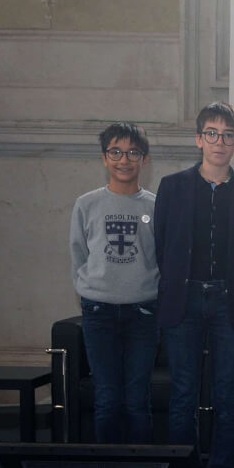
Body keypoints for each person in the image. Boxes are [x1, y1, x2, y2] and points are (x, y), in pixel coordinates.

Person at [153, 104, 234, 468]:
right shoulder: (173, 186)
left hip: (229, 301)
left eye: (228, 135)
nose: (219, 142)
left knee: (227, 395)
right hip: (184, 299)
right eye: (211, 133)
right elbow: (162, 244)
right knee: (183, 394)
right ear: (198, 139)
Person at [71, 122, 160, 445]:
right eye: (116, 152)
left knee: (137, 400)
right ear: (104, 157)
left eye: (133, 153)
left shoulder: (154, 206)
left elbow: (162, 256)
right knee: (107, 398)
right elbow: (79, 254)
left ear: (144, 159)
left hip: (143, 312)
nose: (124, 160)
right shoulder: (87, 204)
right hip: (99, 312)